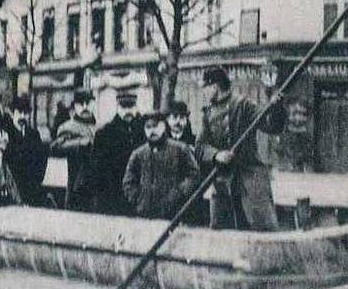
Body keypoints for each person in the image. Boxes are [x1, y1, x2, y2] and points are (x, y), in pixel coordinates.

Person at [196, 65, 286, 231]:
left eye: (205, 88)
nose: (204, 92)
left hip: (250, 178)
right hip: (223, 183)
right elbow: (200, 147)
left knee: (262, 231)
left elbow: (271, 126)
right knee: (220, 234)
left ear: (215, 86)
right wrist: (216, 155)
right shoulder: (208, 113)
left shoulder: (243, 105)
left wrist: (276, 108)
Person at [123, 110, 201, 220]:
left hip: (174, 212)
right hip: (145, 213)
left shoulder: (180, 149)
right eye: (148, 127)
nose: (152, 131)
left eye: (155, 126)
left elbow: (194, 175)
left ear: (164, 126)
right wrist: (138, 198)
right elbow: (128, 181)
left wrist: (179, 193)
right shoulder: (138, 154)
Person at [92, 88, 146, 216]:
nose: (128, 111)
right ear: (117, 106)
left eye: (131, 106)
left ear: (136, 106)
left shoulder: (144, 131)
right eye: (124, 106)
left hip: (139, 196)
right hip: (114, 197)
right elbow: (98, 171)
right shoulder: (105, 133)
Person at [51, 88, 97, 211]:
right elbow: (56, 147)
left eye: (88, 103)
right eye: (81, 104)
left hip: (97, 188)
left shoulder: (99, 128)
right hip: (76, 187)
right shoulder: (67, 127)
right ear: (75, 106)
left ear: (93, 103)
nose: (85, 107)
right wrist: (80, 143)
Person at [4, 95, 49, 206]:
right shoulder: (5, 134)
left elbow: (41, 159)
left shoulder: (33, 134)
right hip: (13, 190)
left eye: (26, 113)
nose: (23, 117)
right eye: (19, 112)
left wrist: (37, 181)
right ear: (11, 113)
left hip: (32, 189)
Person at [272, 100, 317, 173]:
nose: (299, 117)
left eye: (303, 114)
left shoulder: (305, 134)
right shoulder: (285, 132)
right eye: (295, 113)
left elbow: (308, 155)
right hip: (287, 164)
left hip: (300, 166)